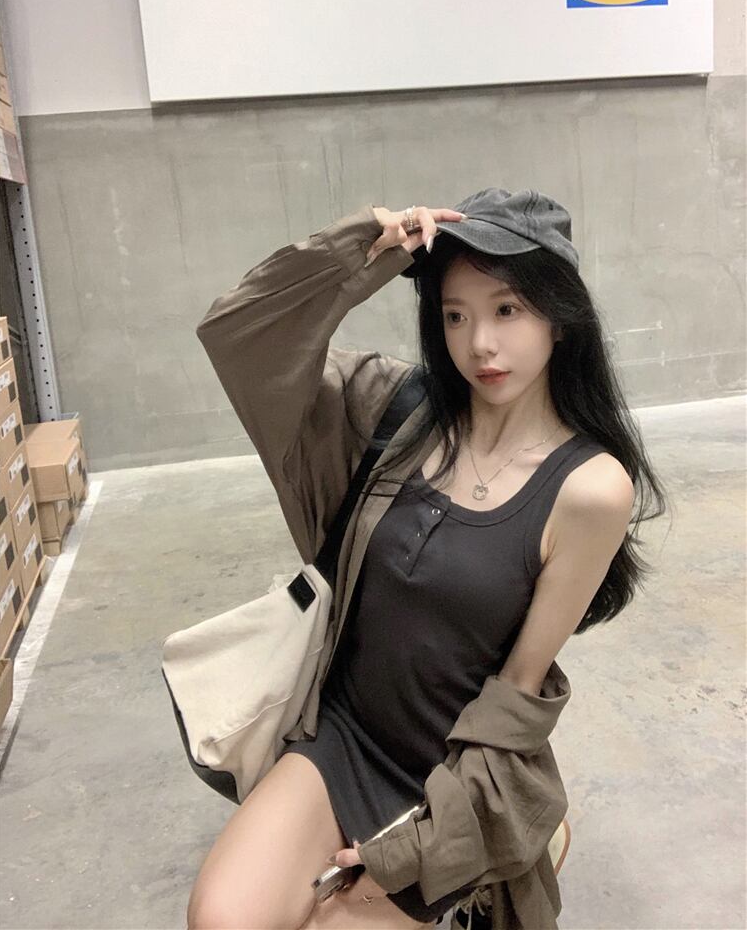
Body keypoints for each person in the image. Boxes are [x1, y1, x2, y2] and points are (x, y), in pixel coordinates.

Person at [187, 191, 669, 930]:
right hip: (342, 735)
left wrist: (419, 847)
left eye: (507, 309)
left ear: (558, 315)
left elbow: (518, 691)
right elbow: (243, 338)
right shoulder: (399, 410)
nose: (480, 344)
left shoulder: (589, 489)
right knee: (221, 920)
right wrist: (362, 253)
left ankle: (523, 843)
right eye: (455, 315)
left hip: (445, 776)